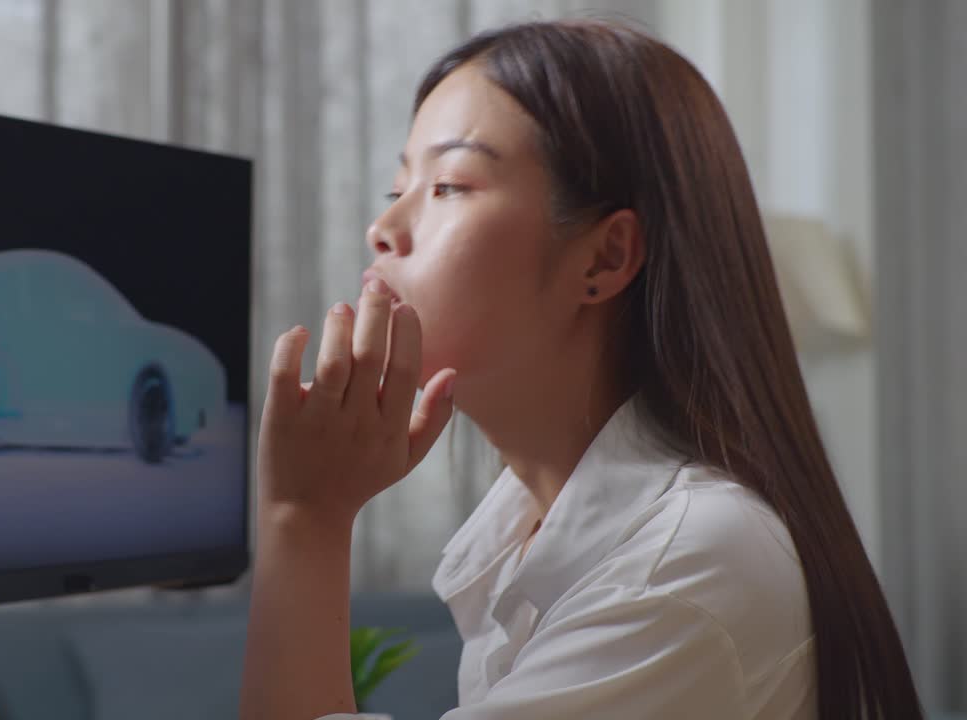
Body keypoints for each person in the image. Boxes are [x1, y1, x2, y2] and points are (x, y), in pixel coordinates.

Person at [238, 19, 922, 720]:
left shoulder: (688, 562)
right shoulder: (529, 529)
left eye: (447, 186)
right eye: (397, 190)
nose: (382, 229)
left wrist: (305, 517)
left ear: (605, 257)